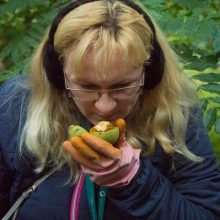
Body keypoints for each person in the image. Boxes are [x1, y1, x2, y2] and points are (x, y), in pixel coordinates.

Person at [0, 0, 220, 219]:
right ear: (58, 75)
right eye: (86, 86)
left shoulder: (176, 112)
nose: (105, 108)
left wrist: (135, 181)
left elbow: (205, 213)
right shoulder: (16, 105)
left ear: (149, 74)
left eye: (123, 86)